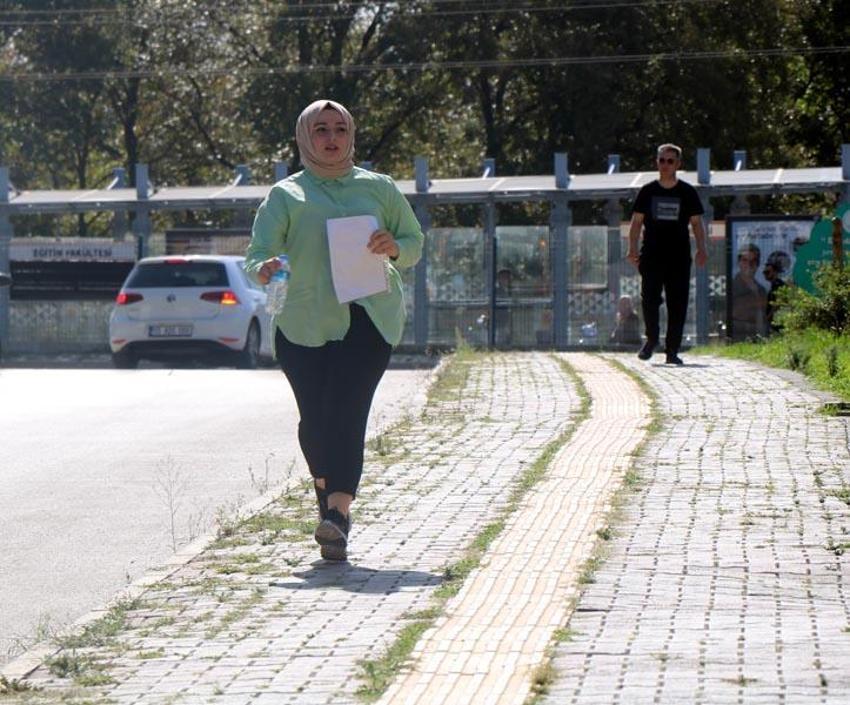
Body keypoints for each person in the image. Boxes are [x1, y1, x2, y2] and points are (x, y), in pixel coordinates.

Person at [245, 100, 424, 561]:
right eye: (321, 129)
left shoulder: (379, 188)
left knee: (347, 410)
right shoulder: (285, 196)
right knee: (316, 421)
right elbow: (259, 254)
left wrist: (394, 246)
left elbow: (414, 241)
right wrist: (265, 269)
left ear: (351, 135)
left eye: (340, 128)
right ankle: (328, 509)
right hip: (302, 322)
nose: (331, 137)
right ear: (306, 136)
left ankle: (339, 512)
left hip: (370, 316)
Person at [626, 143, 708, 365]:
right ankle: (651, 339)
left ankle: (672, 350)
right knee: (649, 299)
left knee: (677, 303)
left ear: (678, 164)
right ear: (657, 162)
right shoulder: (648, 191)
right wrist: (632, 248)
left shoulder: (687, 192)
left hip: (679, 256)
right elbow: (636, 223)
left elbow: (697, 224)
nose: (665, 165)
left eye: (670, 161)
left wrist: (702, 248)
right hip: (651, 253)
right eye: (661, 160)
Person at [731, 243, 767, 340]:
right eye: (745, 260)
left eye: (753, 261)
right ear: (739, 263)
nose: (749, 265)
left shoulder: (762, 290)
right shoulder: (731, 288)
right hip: (739, 342)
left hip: (761, 342)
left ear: (758, 264)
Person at [763, 258, 786, 334]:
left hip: (778, 320)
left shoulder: (778, 285)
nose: (765, 275)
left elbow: (778, 303)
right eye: (764, 272)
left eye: (768, 272)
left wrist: (769, 316)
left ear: (775, 272)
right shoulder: (774, 285)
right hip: (775, 320)